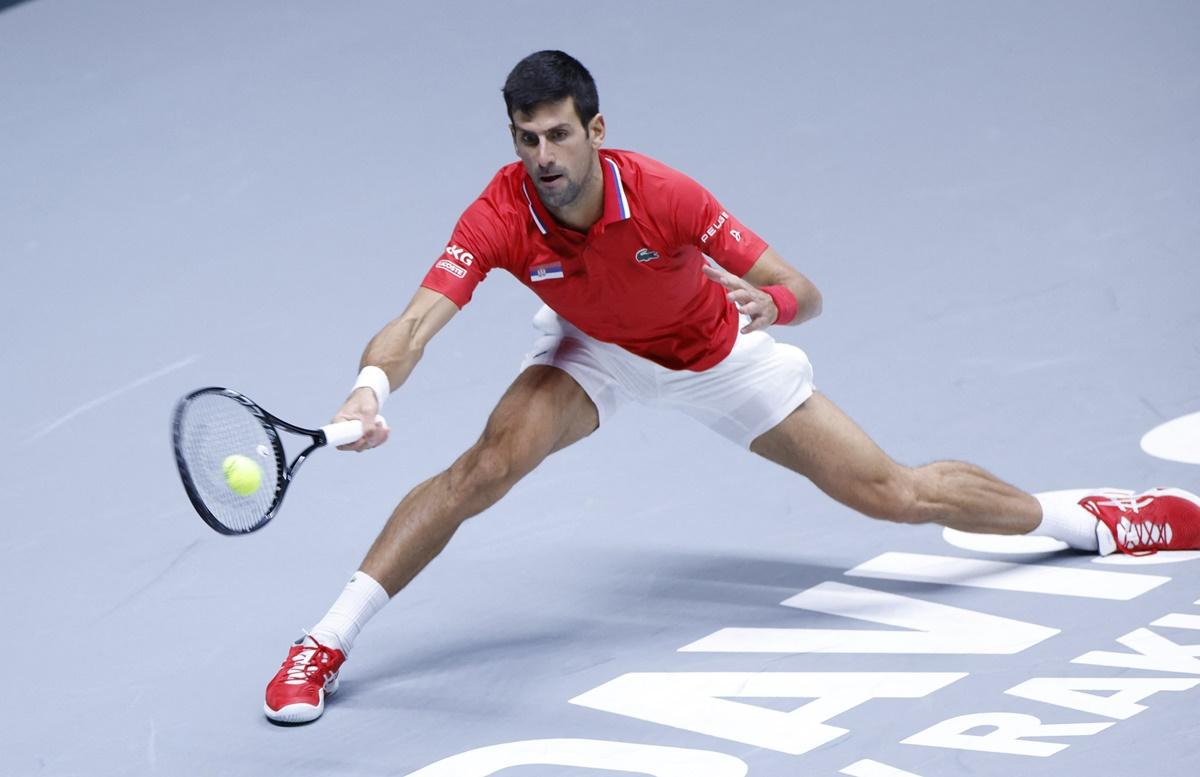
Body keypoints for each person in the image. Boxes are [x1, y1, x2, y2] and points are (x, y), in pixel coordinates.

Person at [263, 50, 1200, 724]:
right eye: (525, 139)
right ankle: (325, 639)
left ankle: (1092, 519)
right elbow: (422, 316)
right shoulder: (503, 209)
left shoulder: (668, 195)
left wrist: (773, 306)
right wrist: (370, 386)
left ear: (595, 130)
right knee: (483, 468)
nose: (542, 157)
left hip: (718, 356)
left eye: (557, 135)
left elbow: (806, 289)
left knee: (893, 494)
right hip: (591, 352)